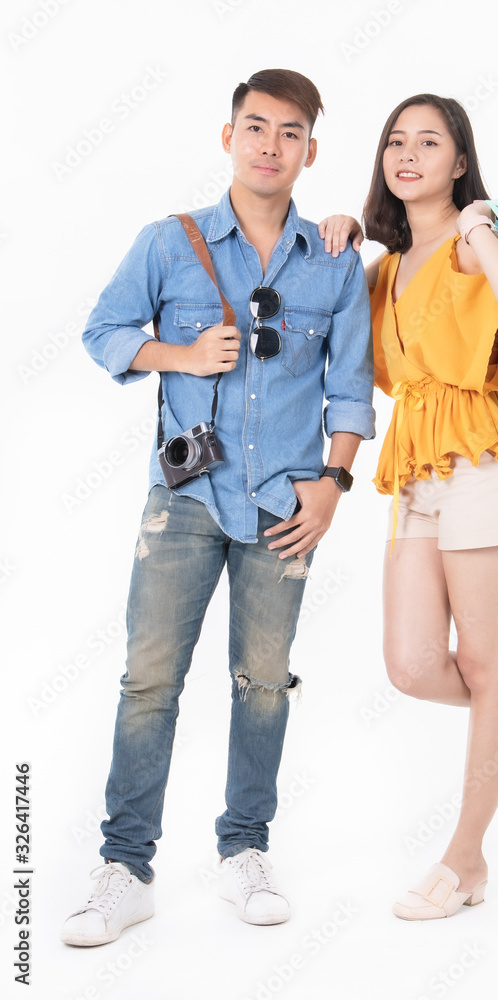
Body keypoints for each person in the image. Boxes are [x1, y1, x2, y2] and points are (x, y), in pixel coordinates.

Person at [60, 68, 375, 947]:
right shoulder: (170, 242)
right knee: (148, 680)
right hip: (185, 497)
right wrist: (182, 355)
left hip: (287, 506)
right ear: (227, 136)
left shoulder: (335, 259)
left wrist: (333, 485)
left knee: (264, 684)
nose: (270, 145)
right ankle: (125, 867)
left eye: (289, 133)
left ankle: (245, 849)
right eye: (255, 127)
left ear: (311, 150)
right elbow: (101, 332)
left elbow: (349, 391)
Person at [319, 94, 498, 920]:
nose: (408, 154)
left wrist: (476, 229)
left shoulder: (472, 243)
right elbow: (330, 341)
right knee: (413, 666)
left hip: (481, 461)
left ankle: (465, 862)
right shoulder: (385, 268)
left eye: (430, 141)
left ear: (459, 161)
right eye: (396, 140)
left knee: (485, 660)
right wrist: (335, 240)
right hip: (414, 469)